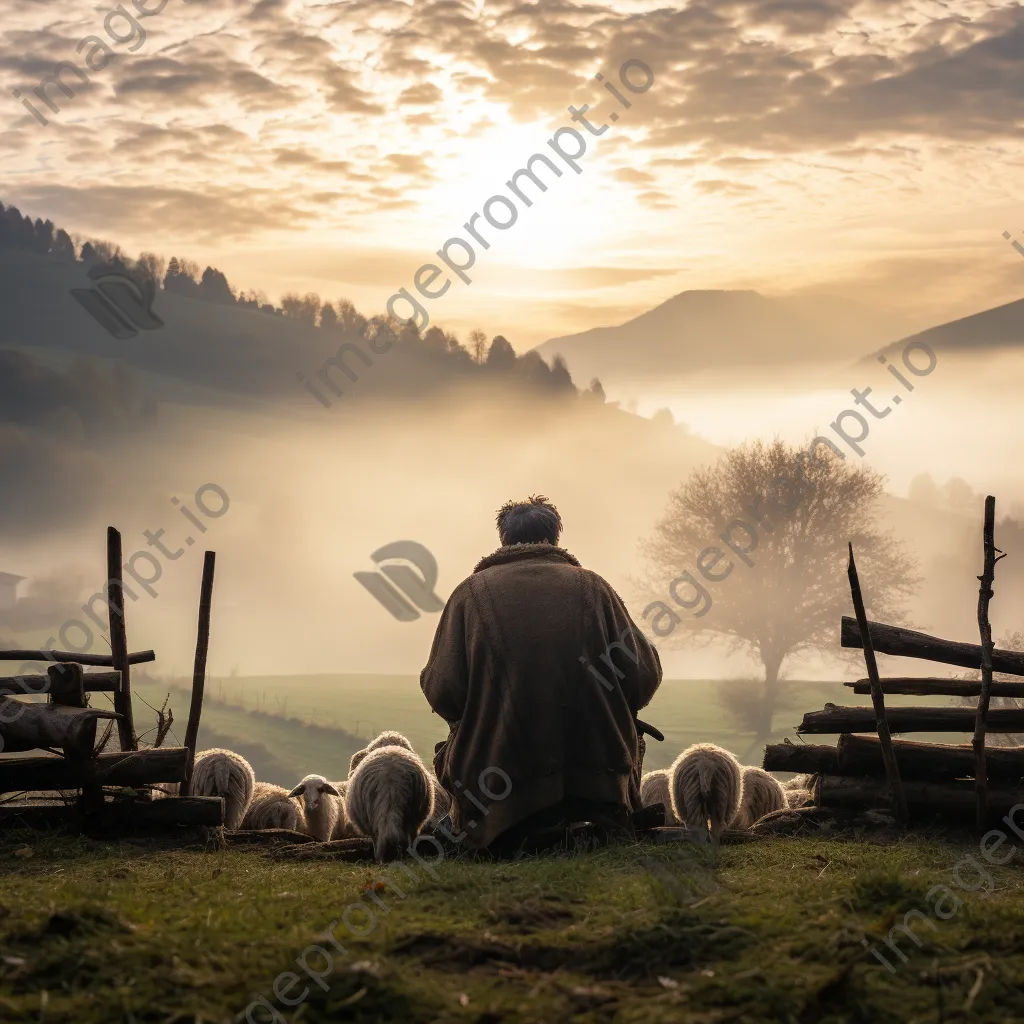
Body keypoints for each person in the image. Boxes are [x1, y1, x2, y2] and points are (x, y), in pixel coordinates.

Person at [420, 494, 662, 854]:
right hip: (596, 786)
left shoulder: (468, 596)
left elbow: (442, 692)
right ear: (554, 538)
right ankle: (613, 814)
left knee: (453, 744)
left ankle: (484, 828)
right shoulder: (595, 589)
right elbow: (644, 676)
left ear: (503, 539)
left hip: (498, 791)